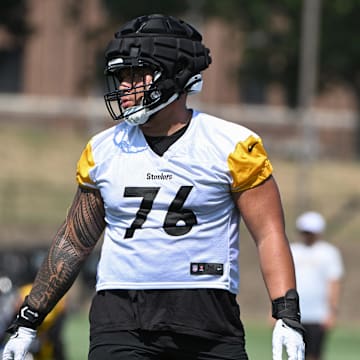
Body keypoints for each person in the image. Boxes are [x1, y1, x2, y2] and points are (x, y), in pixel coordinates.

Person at [3, 14, 304, 360]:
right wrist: (29, 319)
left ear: (174, 74)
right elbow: (74, 241)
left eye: (136, 74)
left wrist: (286, 313)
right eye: (121, 76)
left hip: (206, 315)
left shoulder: (232, 145)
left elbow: (269, 234)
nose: (125, 87)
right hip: (121, 317)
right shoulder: (104, 149)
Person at [291, 211, 344, 360]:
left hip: (317, 315)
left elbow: (334, 282)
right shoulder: (292, 251)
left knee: (313, 355)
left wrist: (332, 312)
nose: (307, 235)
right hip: (294, 314)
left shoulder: (329, 253)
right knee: (293, 354)